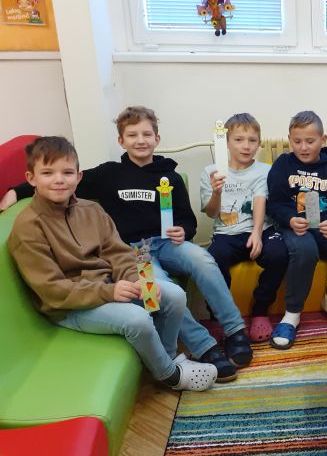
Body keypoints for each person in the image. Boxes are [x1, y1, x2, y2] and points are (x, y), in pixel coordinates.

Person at [3, 106, 249, 382]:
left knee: (200, 262)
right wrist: (15, 190)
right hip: (132, 253)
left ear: (157, 138)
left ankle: (234, 331)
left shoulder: (166, 178)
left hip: (162, 246)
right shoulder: (106, 175)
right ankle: (200, 350)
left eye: (146, 134)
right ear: (121, 141)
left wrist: (184, 231)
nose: (140, 140)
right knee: (157, 286)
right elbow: (57, 181)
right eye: (132, 135)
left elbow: (185, 222)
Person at [266, 110, 327, 349]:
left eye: (310, 141)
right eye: (297, 141)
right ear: (289, 139)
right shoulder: (283, 165)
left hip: (325, 228)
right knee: (305, 249)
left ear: (323, 139)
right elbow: (274, 204)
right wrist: (289, 219)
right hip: (295, 228)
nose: (303, 147)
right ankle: (292, 315)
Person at [200, 113, 289, 343]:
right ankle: (221, 316)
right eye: (239, 139)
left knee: (279, 253)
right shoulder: (211, 172)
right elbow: (211, 213)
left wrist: (257, 233)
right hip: (226, 233)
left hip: (262, 229)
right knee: (213, 260)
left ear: (259, 143)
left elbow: (260, 198)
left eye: (252, 140)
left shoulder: (265, 170)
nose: (246, 146)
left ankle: (261, 310)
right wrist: (217, 192)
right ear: (227, 143)